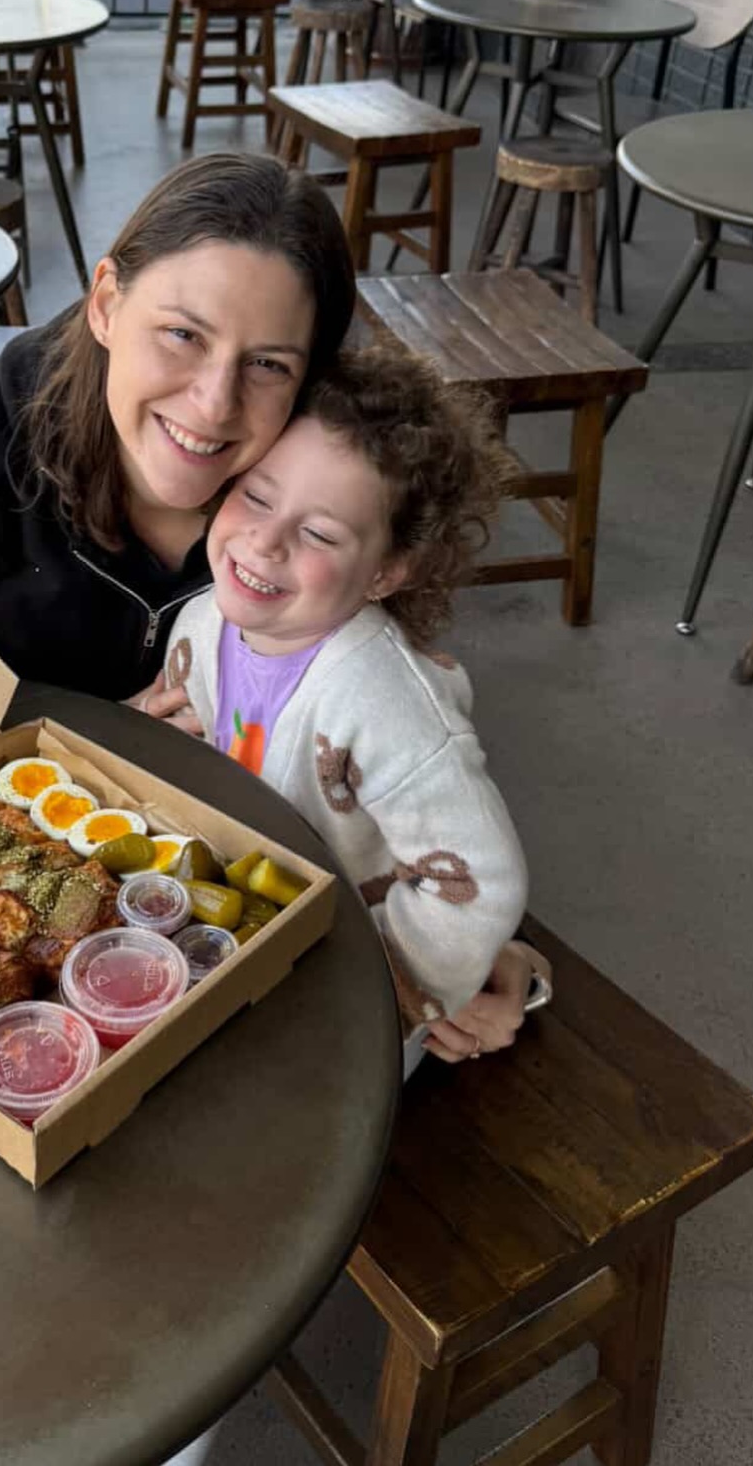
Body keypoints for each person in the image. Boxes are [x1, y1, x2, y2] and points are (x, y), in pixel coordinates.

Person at [0, 151, 547, 1061]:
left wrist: (483, 951)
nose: (214, 403)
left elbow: (399, 768)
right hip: (2, 862)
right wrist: (94, 745)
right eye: (182, 334)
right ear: (105, 302)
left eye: (267, 363)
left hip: (229, 920)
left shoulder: (315, 502)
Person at [161, 343, 527, 1074]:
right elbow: (189, 722)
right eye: (258, 496)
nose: (264, 541)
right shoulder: (205, 621)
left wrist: (400, 989)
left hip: (342, 991)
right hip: (245, 925)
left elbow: (483, 883)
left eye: (320, 533)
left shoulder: (381, 704)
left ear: (387, 572)